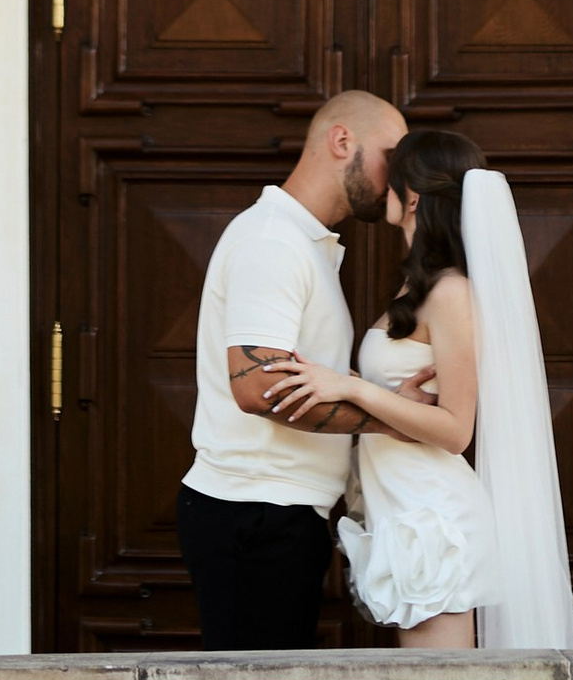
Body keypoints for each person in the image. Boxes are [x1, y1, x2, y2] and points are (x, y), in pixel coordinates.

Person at [267, 127, 573, 654]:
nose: (379, 191)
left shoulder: (450, 292)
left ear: (411, 196)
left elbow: (457, 429)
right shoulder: (418, 288)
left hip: (433, 522)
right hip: (404, 508)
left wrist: (352, 389)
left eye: (389, 182)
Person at [174, 89, 408, 650]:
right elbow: (258, 388)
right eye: (391, 155)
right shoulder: (273, 240)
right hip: (253, 513)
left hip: (278, 512)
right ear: (341, 140)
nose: (398, 176)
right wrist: (391, 420)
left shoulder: (305, 244)